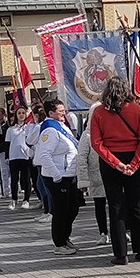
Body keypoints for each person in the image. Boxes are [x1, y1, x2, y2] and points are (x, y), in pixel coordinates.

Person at [91, 76, 140, 265]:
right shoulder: (137, 109)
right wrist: (134, 163)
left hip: (110, 161)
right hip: (134, 156)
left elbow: (96, 142)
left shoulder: (99, 112)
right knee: (135, 205)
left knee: (115, 207)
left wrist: (115, 163)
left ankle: (121, 254)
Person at [39, 99, 82, 254]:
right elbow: (44, 154)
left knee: (73, 208)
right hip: (58, 176)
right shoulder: (50, 130)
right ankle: (59, 243)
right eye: (60, 111)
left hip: (69, 174)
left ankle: (65, 237)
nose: (64, 113)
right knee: (61, 210)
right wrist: (56, 174)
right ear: (51, 113)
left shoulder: (61, 126)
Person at [77, 103, 109, 246]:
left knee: (117, 205)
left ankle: (121, 230)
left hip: (112, 175)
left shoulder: (110, 130)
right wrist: (83, 181)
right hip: (96, 177)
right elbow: (82, 158)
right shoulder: (87, 135)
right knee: (100, 205)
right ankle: (103, 232)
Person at [6, 105, 33, 210]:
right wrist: (7, 156)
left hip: (26, 156)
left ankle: (26, 200)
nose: (21, 115)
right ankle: (14, 199)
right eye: (19, 113)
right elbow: (7, 143)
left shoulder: (29, 127)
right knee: (14, 179)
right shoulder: (11, 129)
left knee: (26, 179)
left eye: (23, 113)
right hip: (14, 156)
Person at [0, 107, 10, 196]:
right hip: (1, 149)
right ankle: (5, 191)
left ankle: (10, 190)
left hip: (6, 149)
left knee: (9, 171)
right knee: (4, 171)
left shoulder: (6, 124)